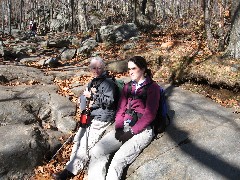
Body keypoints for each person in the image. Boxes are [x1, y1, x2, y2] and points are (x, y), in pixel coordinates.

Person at [88, 56, 160, 180]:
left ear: (143, 69)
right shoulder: (128, 87)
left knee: (118, 160)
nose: (130, 72)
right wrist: (119, 127)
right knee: (97, 151)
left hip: (143, 130)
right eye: (129, 69)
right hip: (126, 125)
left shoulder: (153, 88)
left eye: (134, 68)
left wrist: (132, 132)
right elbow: (121, 109)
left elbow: (150, 115)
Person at [52, 56, 118, 180]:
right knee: (77, 139)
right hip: (90, 115)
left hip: (102, 117)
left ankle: (68, 172)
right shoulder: (93, 81)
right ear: (90, 68)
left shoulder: (108, 83)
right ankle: (71, 166)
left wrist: (92, 96)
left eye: (99, 68)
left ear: (103, 68)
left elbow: (110, 101)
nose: (96, 70)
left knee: (85, 144)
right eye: (93, 68)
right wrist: (83, 99)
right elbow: (86, 97)